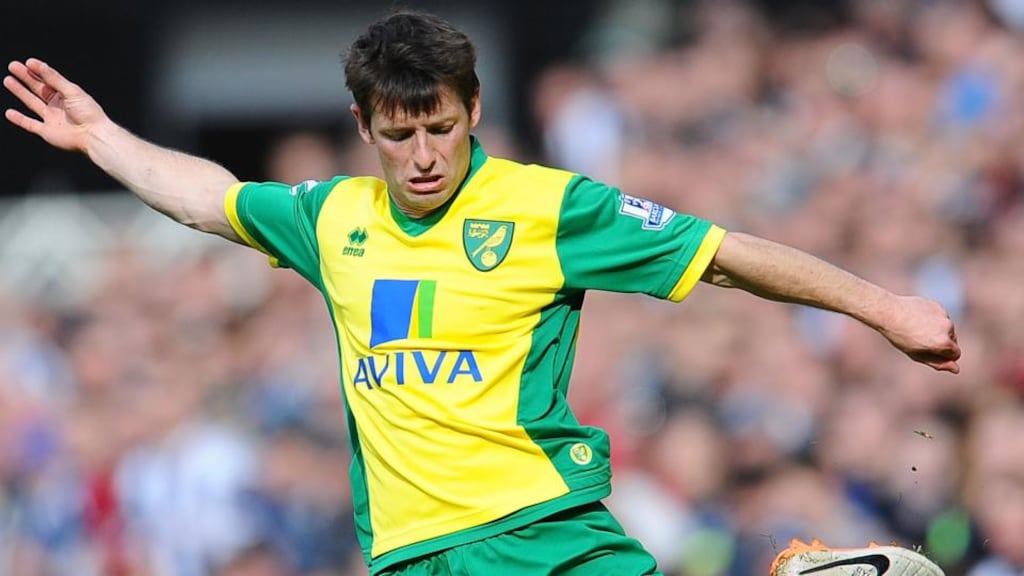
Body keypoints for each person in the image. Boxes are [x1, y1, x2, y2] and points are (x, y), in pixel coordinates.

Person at [4, 10, 959, 576]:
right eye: (400, 135)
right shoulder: (331, 216)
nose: (424, 157)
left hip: (539, 531)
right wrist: (102, 140)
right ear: (363, 125)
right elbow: (207, 199)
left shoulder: (547, 207)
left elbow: (723, 252)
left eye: (443, 129)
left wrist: (884, 308)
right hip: (409, 554)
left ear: (472, 112)